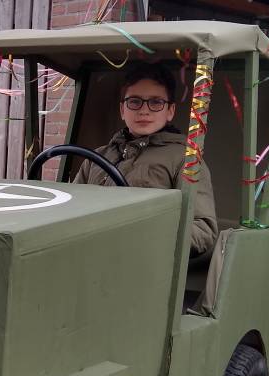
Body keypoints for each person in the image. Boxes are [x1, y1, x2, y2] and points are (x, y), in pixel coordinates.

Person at [73, 62, 218, 256]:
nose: (144, 110)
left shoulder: (185, 160)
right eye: (134, 101)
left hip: (144, 262)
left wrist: (148, 236)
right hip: (87, 255)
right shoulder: (96, 157)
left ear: (170, 111)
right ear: (123, 110)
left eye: (156, 102)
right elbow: (70, 209)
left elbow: (203, 230)